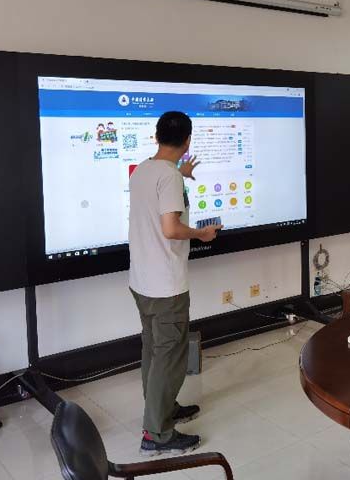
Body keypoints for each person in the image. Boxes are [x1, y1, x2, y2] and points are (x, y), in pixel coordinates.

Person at [129, 111, 222, 455]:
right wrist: (201, 233)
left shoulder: (144, 169)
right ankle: (157, 433)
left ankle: (162, 409)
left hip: (142, 281)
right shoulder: (168, 177)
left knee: (153, 350)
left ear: (156, 137)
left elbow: (157, 200)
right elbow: (170, 229)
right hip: (165, 285)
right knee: (169, 356)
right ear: (188, 141)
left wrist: (180, 175)